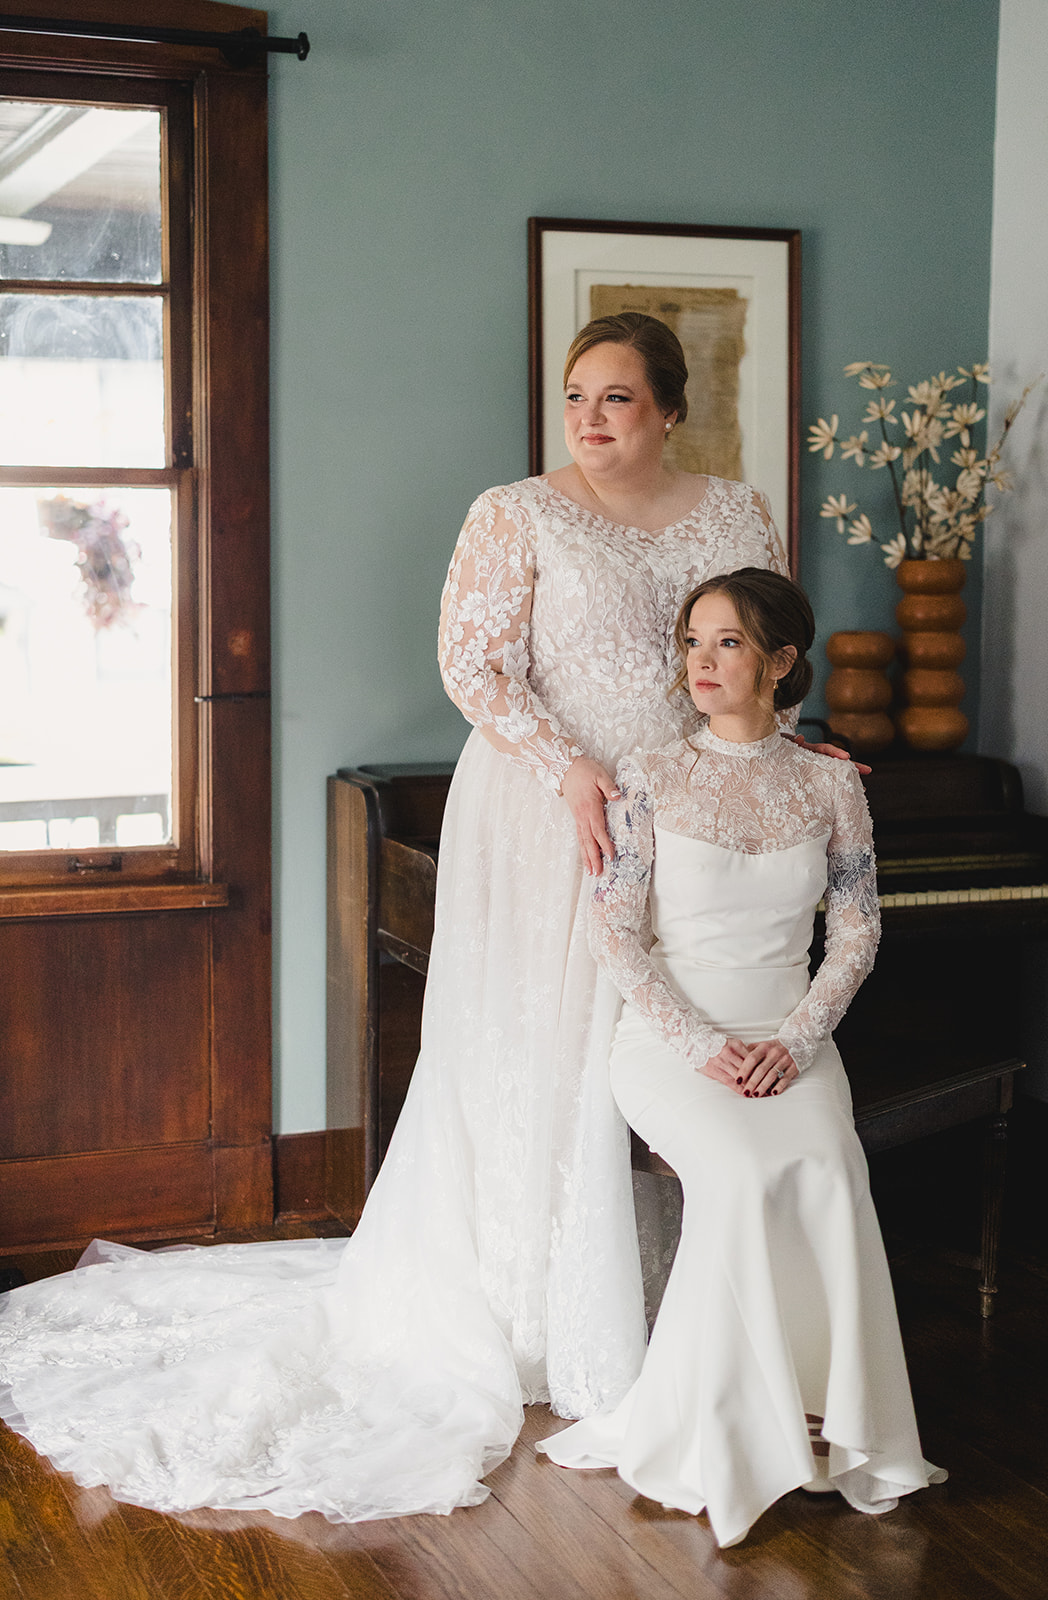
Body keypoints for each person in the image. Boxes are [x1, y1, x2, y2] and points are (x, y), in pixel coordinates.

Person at [0, 315, 850, 1523]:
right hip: (549, 806)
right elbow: (475, 667)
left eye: (617, 398)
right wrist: (570, 770)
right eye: (575, 398)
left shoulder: (734, 512)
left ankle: (688, 1293)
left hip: (686, 813)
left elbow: (753, 650)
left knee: (658, 1040)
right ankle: (534, 1304)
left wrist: (794, 761)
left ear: (669, 410)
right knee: (541, 1047)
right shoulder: (515, 512)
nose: (592, 419)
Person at [540, 568, 946, 1547]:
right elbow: (615, 937)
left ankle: (822, 1413)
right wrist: (704, 1046)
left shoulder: (828, 781)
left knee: (824, 1163)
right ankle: (723, 1428)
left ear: (779, 661)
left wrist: (795, 1037)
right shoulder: (646, 774)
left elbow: (854, 927)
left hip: (789, 1035)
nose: (701, 662)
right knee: (736, 1174)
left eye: (724, 643)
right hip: (671, 1040)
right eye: (691, 642)